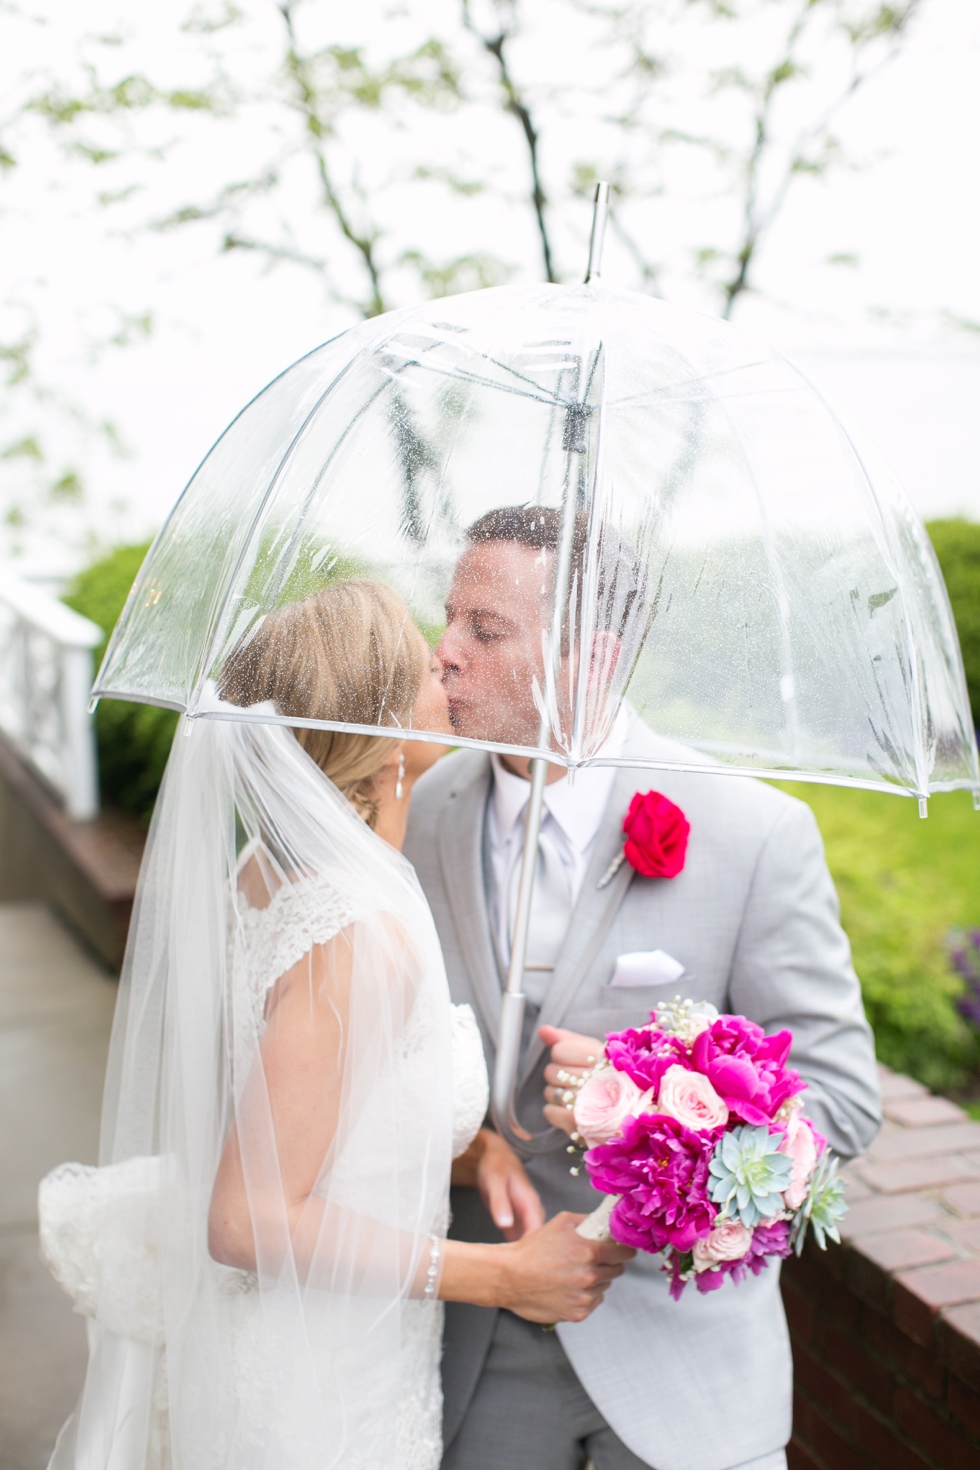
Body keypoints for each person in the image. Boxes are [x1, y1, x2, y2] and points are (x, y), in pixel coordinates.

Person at [39, 579, 632, 1470]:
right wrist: (499, 1275)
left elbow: (299, 1113)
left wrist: (473, 1150)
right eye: (428, 668)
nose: (451, 667)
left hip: (326, 1338)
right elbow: (244, 1220)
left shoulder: (270, 870)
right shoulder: (356, 927)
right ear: (382, 735)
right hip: (319, 1382)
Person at [404, 508, 883, 1470]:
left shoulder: (753, 831)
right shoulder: (421, 812)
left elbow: (842, 1102)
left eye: (484, 630)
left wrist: (653, 1114)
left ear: (592, 654)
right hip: (481, 1345)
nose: (442, 653)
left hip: (685, 1355)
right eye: (449, 618)